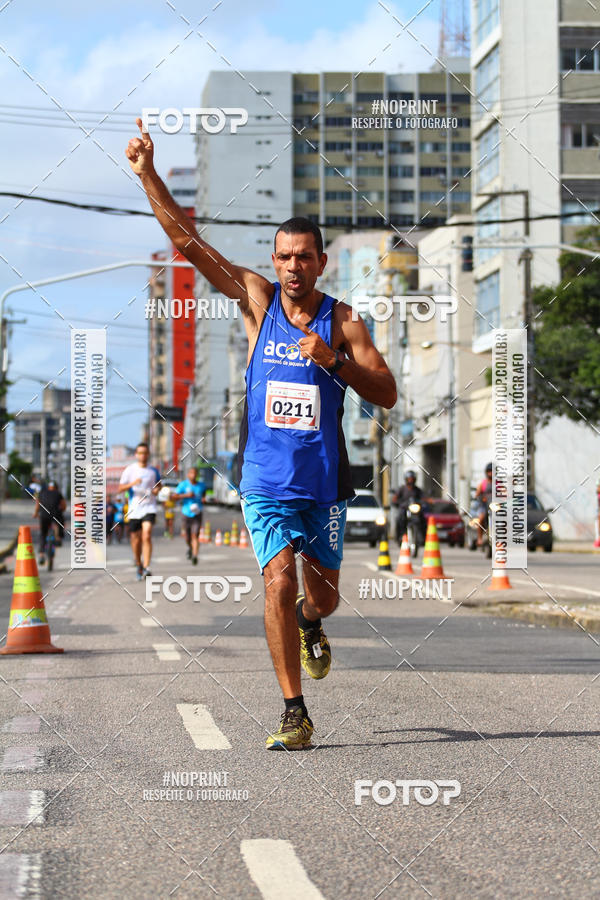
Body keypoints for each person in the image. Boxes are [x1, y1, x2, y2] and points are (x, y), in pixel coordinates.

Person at [126, 120, 396, 750]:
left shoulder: (345, 322)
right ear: (274, 260)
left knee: (321, 598)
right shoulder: (256, 300)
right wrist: (147, 175)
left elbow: (385, 393)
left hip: (323, 485)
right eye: (284, 256)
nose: (294, 266)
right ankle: (293, 711)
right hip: (265, 483)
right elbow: (188, 242)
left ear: (322, 261)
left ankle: (311, 623)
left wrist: (335, 363)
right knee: (276, 580)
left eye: (305, 256)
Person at [118, 443, 161, 580]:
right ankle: (138, 563)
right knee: (135, 540)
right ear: (136, 455)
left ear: (148, 455)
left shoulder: (153, 471)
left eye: (145, 453)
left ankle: (147, 566)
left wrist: (156, 490)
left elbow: (159, 486)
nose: (143, 455)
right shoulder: (130, 470)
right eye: (140, 453)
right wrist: (133, 483)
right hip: (135, 508)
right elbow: (120, 488)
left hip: (149, 506)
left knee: (146, 534)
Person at [175, 467, 206, 564]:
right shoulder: (183, 485)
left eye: (195, 473)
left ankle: (195, 556)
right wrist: (186, 495)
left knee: (195, 535)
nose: (193, 475)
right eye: (191, 473)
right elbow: (174, 496)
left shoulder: (201, 485)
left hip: (197, 513)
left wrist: (204, 499)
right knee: (188, 537)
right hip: (186, 513)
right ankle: (190, 547)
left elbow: (204, 495)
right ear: (188, 474)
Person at [33, 479, 66, 563]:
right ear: (56, 487)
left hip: (43, 515)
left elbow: (37, 505)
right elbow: (63, 506)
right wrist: (61, 510)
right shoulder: (58, 493)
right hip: (55, 514)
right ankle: (58, 537)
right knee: (59, 521)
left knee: (43, 534)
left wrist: (36, 514)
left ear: (49, 487)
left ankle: (41, 554)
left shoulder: (42, 493)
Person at [392, 470, 425, 545]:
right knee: (399, 519)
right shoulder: (402, 489)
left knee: (422, 519)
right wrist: (397, 502)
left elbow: (423, 498)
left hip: (414, 510)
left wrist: (426, 502)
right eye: (409, 479)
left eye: (412, 479)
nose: (411, 480)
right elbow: (395, 498)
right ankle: (399, 536)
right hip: (404, 508)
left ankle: (421, 537)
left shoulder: (417, 490)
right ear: (406, 479)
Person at [474, 462, 493, 547]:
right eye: (489, 471)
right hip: (484, 505)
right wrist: (479, 496)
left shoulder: (498, 483)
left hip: (494, 506)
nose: (491, 473)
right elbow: (477, 493)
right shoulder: (483, 483)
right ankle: (479, 538)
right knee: (481, 518)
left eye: (492, 471)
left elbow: (504, 492)